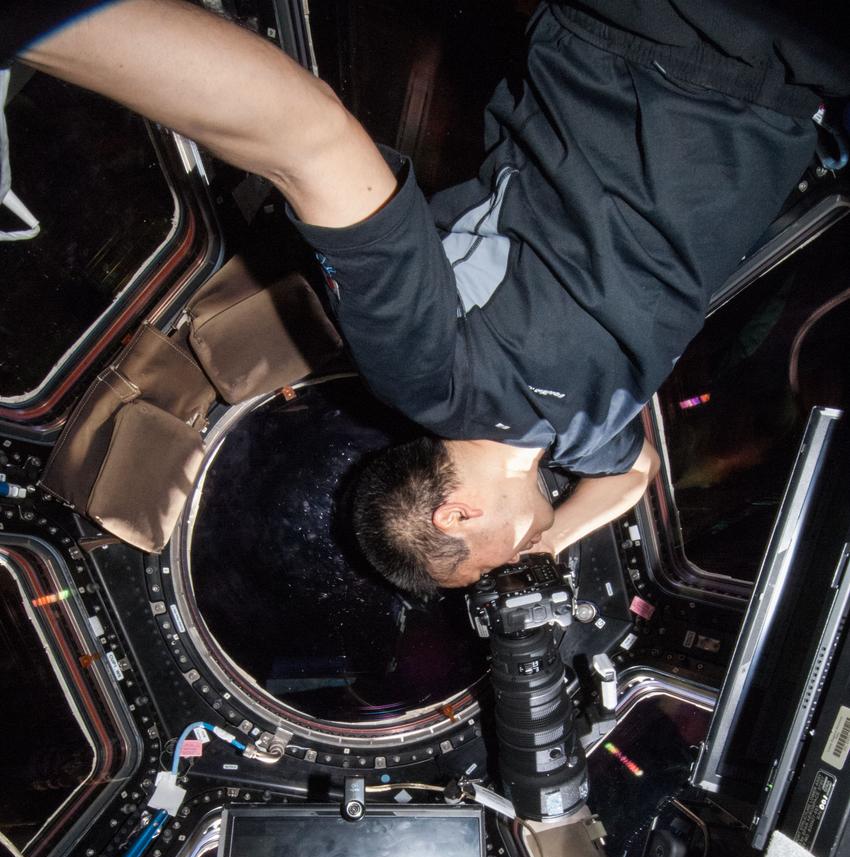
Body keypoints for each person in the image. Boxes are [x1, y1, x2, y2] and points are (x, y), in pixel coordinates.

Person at [5, 1, 849, 594]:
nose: (516, 557)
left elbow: (315, 143)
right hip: (783, 88)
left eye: (494, 559)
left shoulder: (427, 376)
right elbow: (635, 475)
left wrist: (47, 21)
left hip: (674, 41)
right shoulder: (577, 437)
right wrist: (548, 540)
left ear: (455, 513)